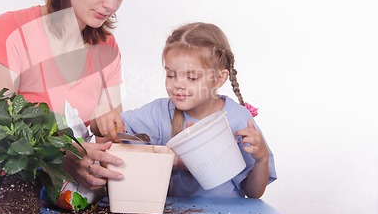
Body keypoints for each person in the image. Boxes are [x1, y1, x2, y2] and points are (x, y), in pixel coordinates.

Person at [0, 0, 139, 209]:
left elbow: (103, 140)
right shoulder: (11, 31)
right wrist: (63, 154)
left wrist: (104, 127)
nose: (111, 4)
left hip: (70, 201)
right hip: (7, 194)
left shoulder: (107, 49)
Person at [92, 22, 277, 198]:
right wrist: (104, 119)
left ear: (219, 78)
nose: (178, 85)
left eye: (192, 77)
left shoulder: (238, 119)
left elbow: (253, 193)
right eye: (171, 75)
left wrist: (261, 160)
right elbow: (110, 129)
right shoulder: (160, 112)